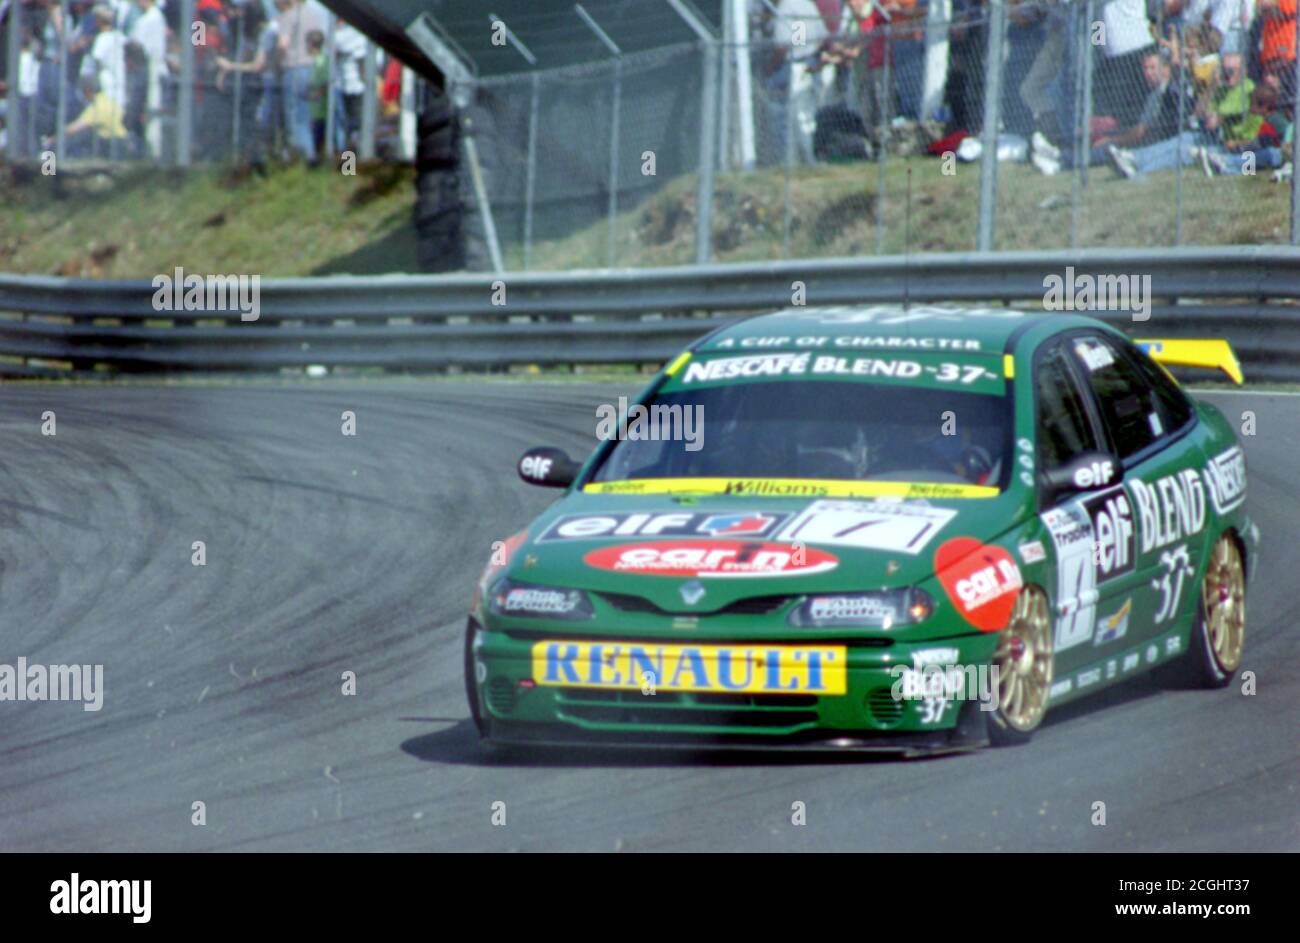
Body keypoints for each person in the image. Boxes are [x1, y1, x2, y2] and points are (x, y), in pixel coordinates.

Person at [275, 0, 321, 161]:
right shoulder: (314, 15)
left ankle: (299, 158)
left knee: (293, 117)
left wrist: (277, 64)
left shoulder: (288, 16)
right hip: (311, 69)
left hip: (293, 68)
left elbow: (283, 44)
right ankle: (310, 155)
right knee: (305, 116)